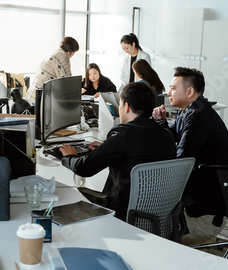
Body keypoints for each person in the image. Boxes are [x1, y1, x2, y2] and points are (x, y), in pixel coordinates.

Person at [59, 82, 176, 221]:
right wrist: (108, 146)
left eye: (120, 104)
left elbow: (83, 168)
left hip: (123, 213)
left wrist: (69, 155)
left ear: (126, 107)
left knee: (68, 193)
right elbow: (140, 147)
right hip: (160, 213)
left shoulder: (123, 135)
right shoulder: (167, 135)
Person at [152, 67, 228, 215]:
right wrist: (161, 121)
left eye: (173, 88)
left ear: (190, 91)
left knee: (154, 183)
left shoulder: (198, 116)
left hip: (218, 184)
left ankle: (163, 230)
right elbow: (174, 136)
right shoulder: (189, 110)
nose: (168, 93)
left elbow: (183, 156)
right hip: (209, 177)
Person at [25, 36, 79, 103]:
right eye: (74, 52)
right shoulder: (63, 57)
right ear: (71, 51)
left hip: (33, 94)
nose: (73, 55)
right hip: (41, 96)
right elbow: (66, 81)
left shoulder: (55, 53)